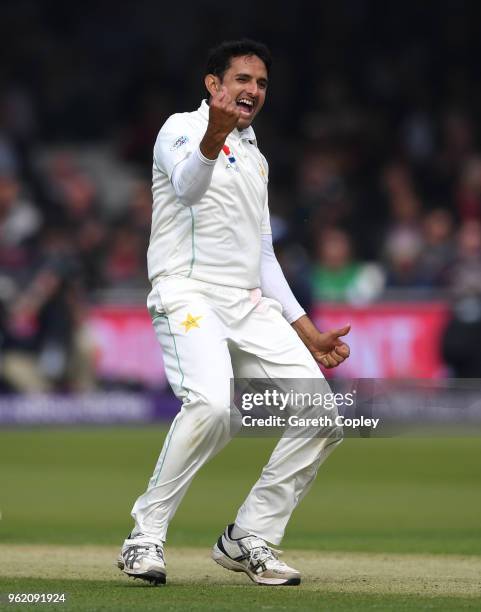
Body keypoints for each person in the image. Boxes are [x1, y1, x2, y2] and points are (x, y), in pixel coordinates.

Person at [117, 39, 350, 587]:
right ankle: (144, 536)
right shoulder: (179, 128)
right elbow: (186, 187)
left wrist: (308, 331)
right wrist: (212, 135)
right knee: (214, 405)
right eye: (242, 79)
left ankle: (248, 537)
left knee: (323, 417)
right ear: (213, 85)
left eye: (262, 83)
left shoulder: (256, 156)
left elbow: (263, 254)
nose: (252, 91)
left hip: (247, 302)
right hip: (187, 292)